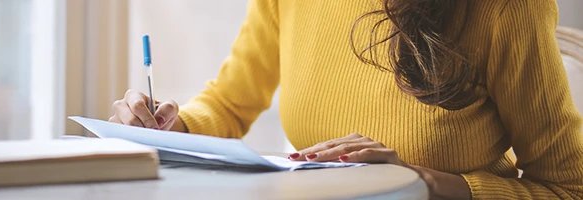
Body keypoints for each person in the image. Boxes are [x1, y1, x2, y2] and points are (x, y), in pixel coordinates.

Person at [108, 0, 583, 199]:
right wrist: (172, 125)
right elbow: (231, 102)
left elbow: (569, 188)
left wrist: (431, 184)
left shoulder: (506, 10)